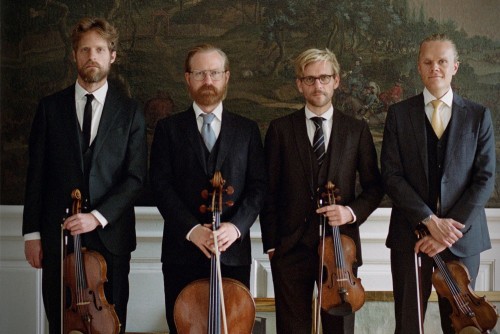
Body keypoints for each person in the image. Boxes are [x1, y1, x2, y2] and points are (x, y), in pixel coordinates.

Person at [22, 17, 148, 334]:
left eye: (100, 49)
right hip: (58, 239)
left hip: (112, 238)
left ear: (112, 56)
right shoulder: (50, 108)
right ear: (75, 55)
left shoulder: (131, 111)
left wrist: (97, 217)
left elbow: (135, 178)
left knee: (111, 325)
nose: (92, 56)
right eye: (85, 50)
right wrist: (31, 234)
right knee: (61, 324)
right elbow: (35, 174)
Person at [260, 48, 384, 334]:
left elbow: (375, 186)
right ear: (299, 84)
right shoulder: (280, 129)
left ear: (336, 81)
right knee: (292, 329)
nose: (318, 85)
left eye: (324, 78)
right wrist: (272, 243)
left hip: (341, 251)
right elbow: (268, 190)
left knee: (339, 328)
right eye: (310, 79)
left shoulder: (356, 130)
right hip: (290, 248)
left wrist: (350, 212)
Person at [380, 34, 495, 334]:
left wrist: (448, 231)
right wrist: (430, 221)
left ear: (455, 66)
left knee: (461, 325)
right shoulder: (398, 115)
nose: (435, 68)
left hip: (462, 239)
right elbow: (391, 175)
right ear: (419, 67)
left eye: (442, 61)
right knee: (408, 324)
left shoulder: (479, 116)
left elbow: (485, 178)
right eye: (428, 62)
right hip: (411, 238)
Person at [149, 44, 266, 334]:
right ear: (187, 79)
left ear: (226, 77)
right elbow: (160, 187)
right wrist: (192, 229)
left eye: (214, 73)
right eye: (200, 73)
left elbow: (259, 187)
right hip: (182, 251)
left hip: (232, 252)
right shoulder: (168, 129)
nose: (208, 81)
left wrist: (235, 228)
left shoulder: (248, 130)